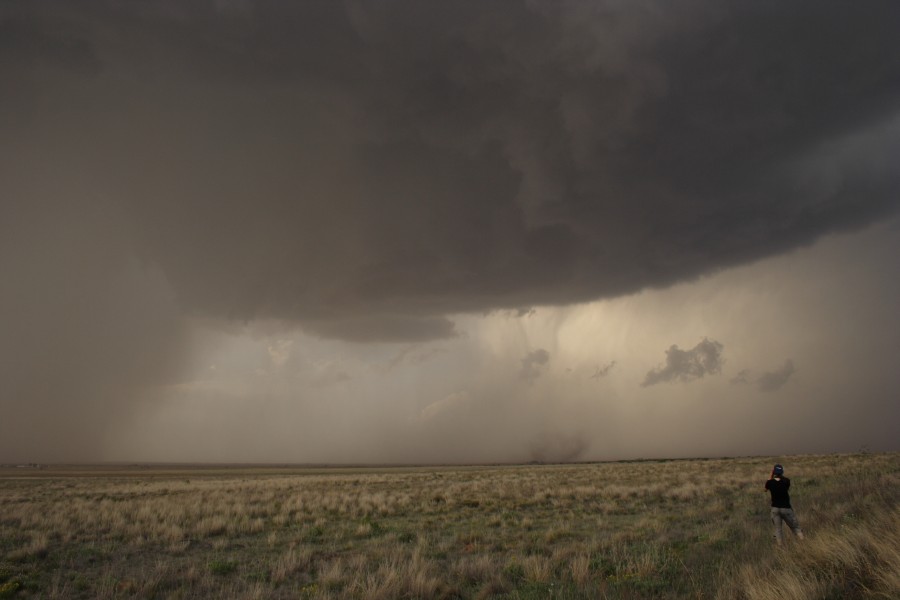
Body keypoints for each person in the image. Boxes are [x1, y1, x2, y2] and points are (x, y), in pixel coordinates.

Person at [765, 463, 804, 544]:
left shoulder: (770, 483)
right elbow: (784, 485)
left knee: (778, 530)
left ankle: (780, 548)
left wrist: (771, 475)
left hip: (775, 509)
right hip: (786, 508)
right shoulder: (787, 481)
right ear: (782, 472)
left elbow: (765, 488)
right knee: (795, 527)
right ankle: (803, 542)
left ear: (774, 472)